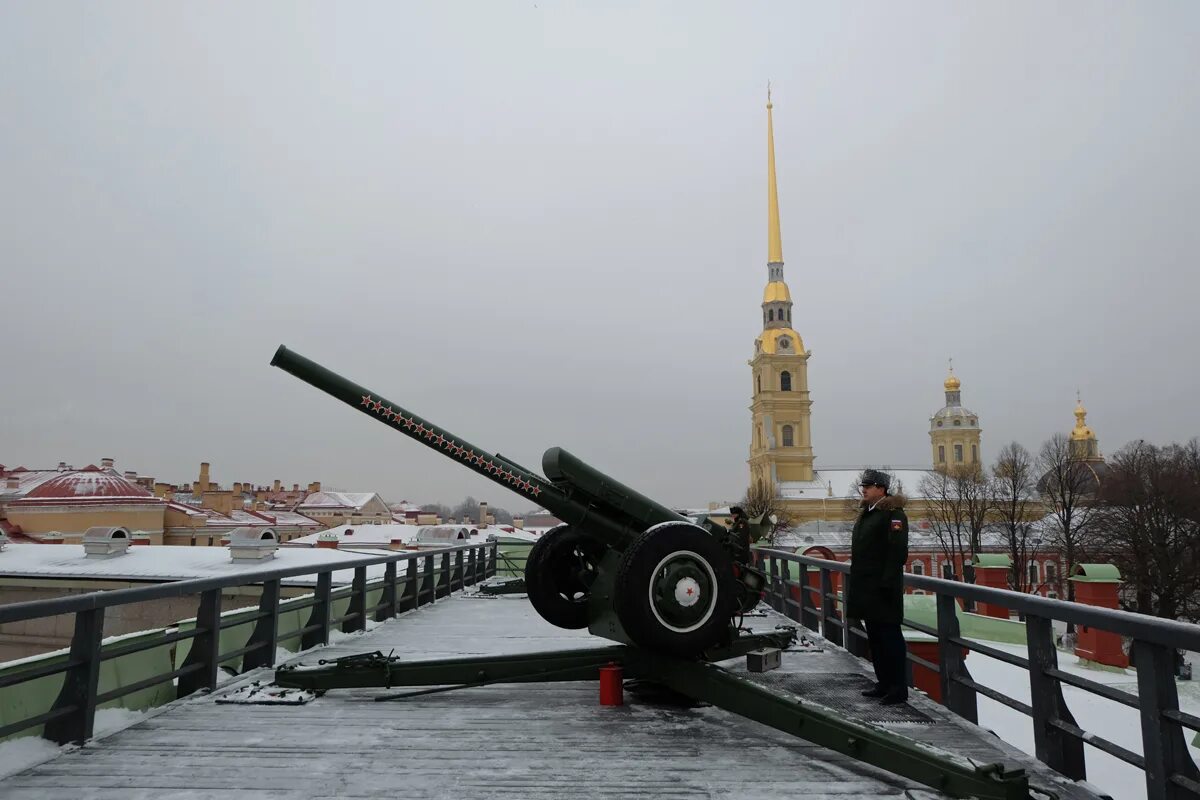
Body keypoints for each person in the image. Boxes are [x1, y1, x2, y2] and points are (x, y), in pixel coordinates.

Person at [847, 469, 910, 705]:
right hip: (867, 588)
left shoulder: (893, 515)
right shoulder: (868, 513)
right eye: (863, 485)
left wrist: (886, 583)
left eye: (869, 485)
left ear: (881, 489)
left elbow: (897, 553)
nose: (864, 489)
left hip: (883, 590)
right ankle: (883, 683)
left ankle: (897, 689)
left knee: (890, 639)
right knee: (875, 638)